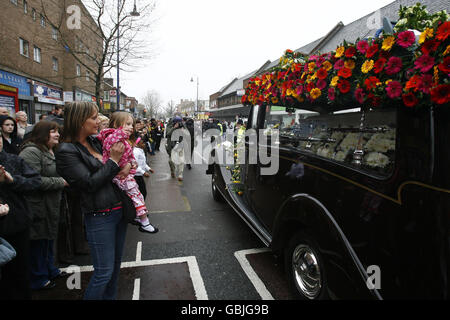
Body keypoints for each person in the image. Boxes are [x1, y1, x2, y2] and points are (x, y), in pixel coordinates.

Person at [55, 101, 129, 300]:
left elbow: (117, 166)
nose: (99, 122)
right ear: (80, 121)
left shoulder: (96, 141)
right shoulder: (66, 151)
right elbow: (87, 184)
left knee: (114, 269)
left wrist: (127, 164)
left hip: (119, 210)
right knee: (103, 273)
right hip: (100, 216)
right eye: (94, 118)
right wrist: (113, 161)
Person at [19, 121, 69, 290]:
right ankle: (38, 278)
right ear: (42, 133)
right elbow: (32, 180)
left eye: (57, 132)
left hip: (52, 204)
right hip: (37, 205)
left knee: (48, 238)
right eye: (53, 132)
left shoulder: (51, 150)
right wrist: (60, 181)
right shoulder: (31, 152)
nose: (57, 135)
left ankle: (50, 269)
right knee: (38, 241)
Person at [97, 112, 158, 234]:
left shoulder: (124, 141)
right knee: (135, 195)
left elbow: (129, 156)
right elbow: (111, 147)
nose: (131, 127)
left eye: (132, 124)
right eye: (128, 124)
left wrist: (132, 164)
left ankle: (138, 216)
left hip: (125, 174)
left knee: (137, 195)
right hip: (119, 176)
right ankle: (144, 221)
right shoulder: (113, 137)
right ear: (115, 125)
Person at [0, 131, 41, 299]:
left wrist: (12, 181)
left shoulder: (13, 160)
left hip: (16, 224)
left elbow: (35, 182)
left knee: (18, 272)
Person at [166, 116, 188, 181]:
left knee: (181, 161)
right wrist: (174, 128)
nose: (178, 123)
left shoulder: (183, 126)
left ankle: (180, 175)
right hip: (172, 146)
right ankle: (172, 171)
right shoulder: (170, 126)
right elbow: (168, 134)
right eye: (177, 122)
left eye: (179, 122)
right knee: (170, 161)